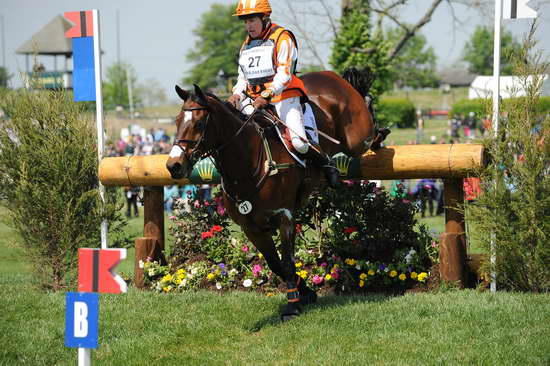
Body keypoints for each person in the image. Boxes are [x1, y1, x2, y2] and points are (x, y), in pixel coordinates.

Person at [227, 0, 340, 188]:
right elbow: (242, 78)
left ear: (265, 18)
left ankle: (327, 164)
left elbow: (284, 74)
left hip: (284, 97)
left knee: (299, 143)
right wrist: (237, 94)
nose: (248, 26)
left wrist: (267, 94)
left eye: (252, 20)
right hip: (255, 100)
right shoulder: (246, 46)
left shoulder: (283, 37)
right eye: (245, 22)